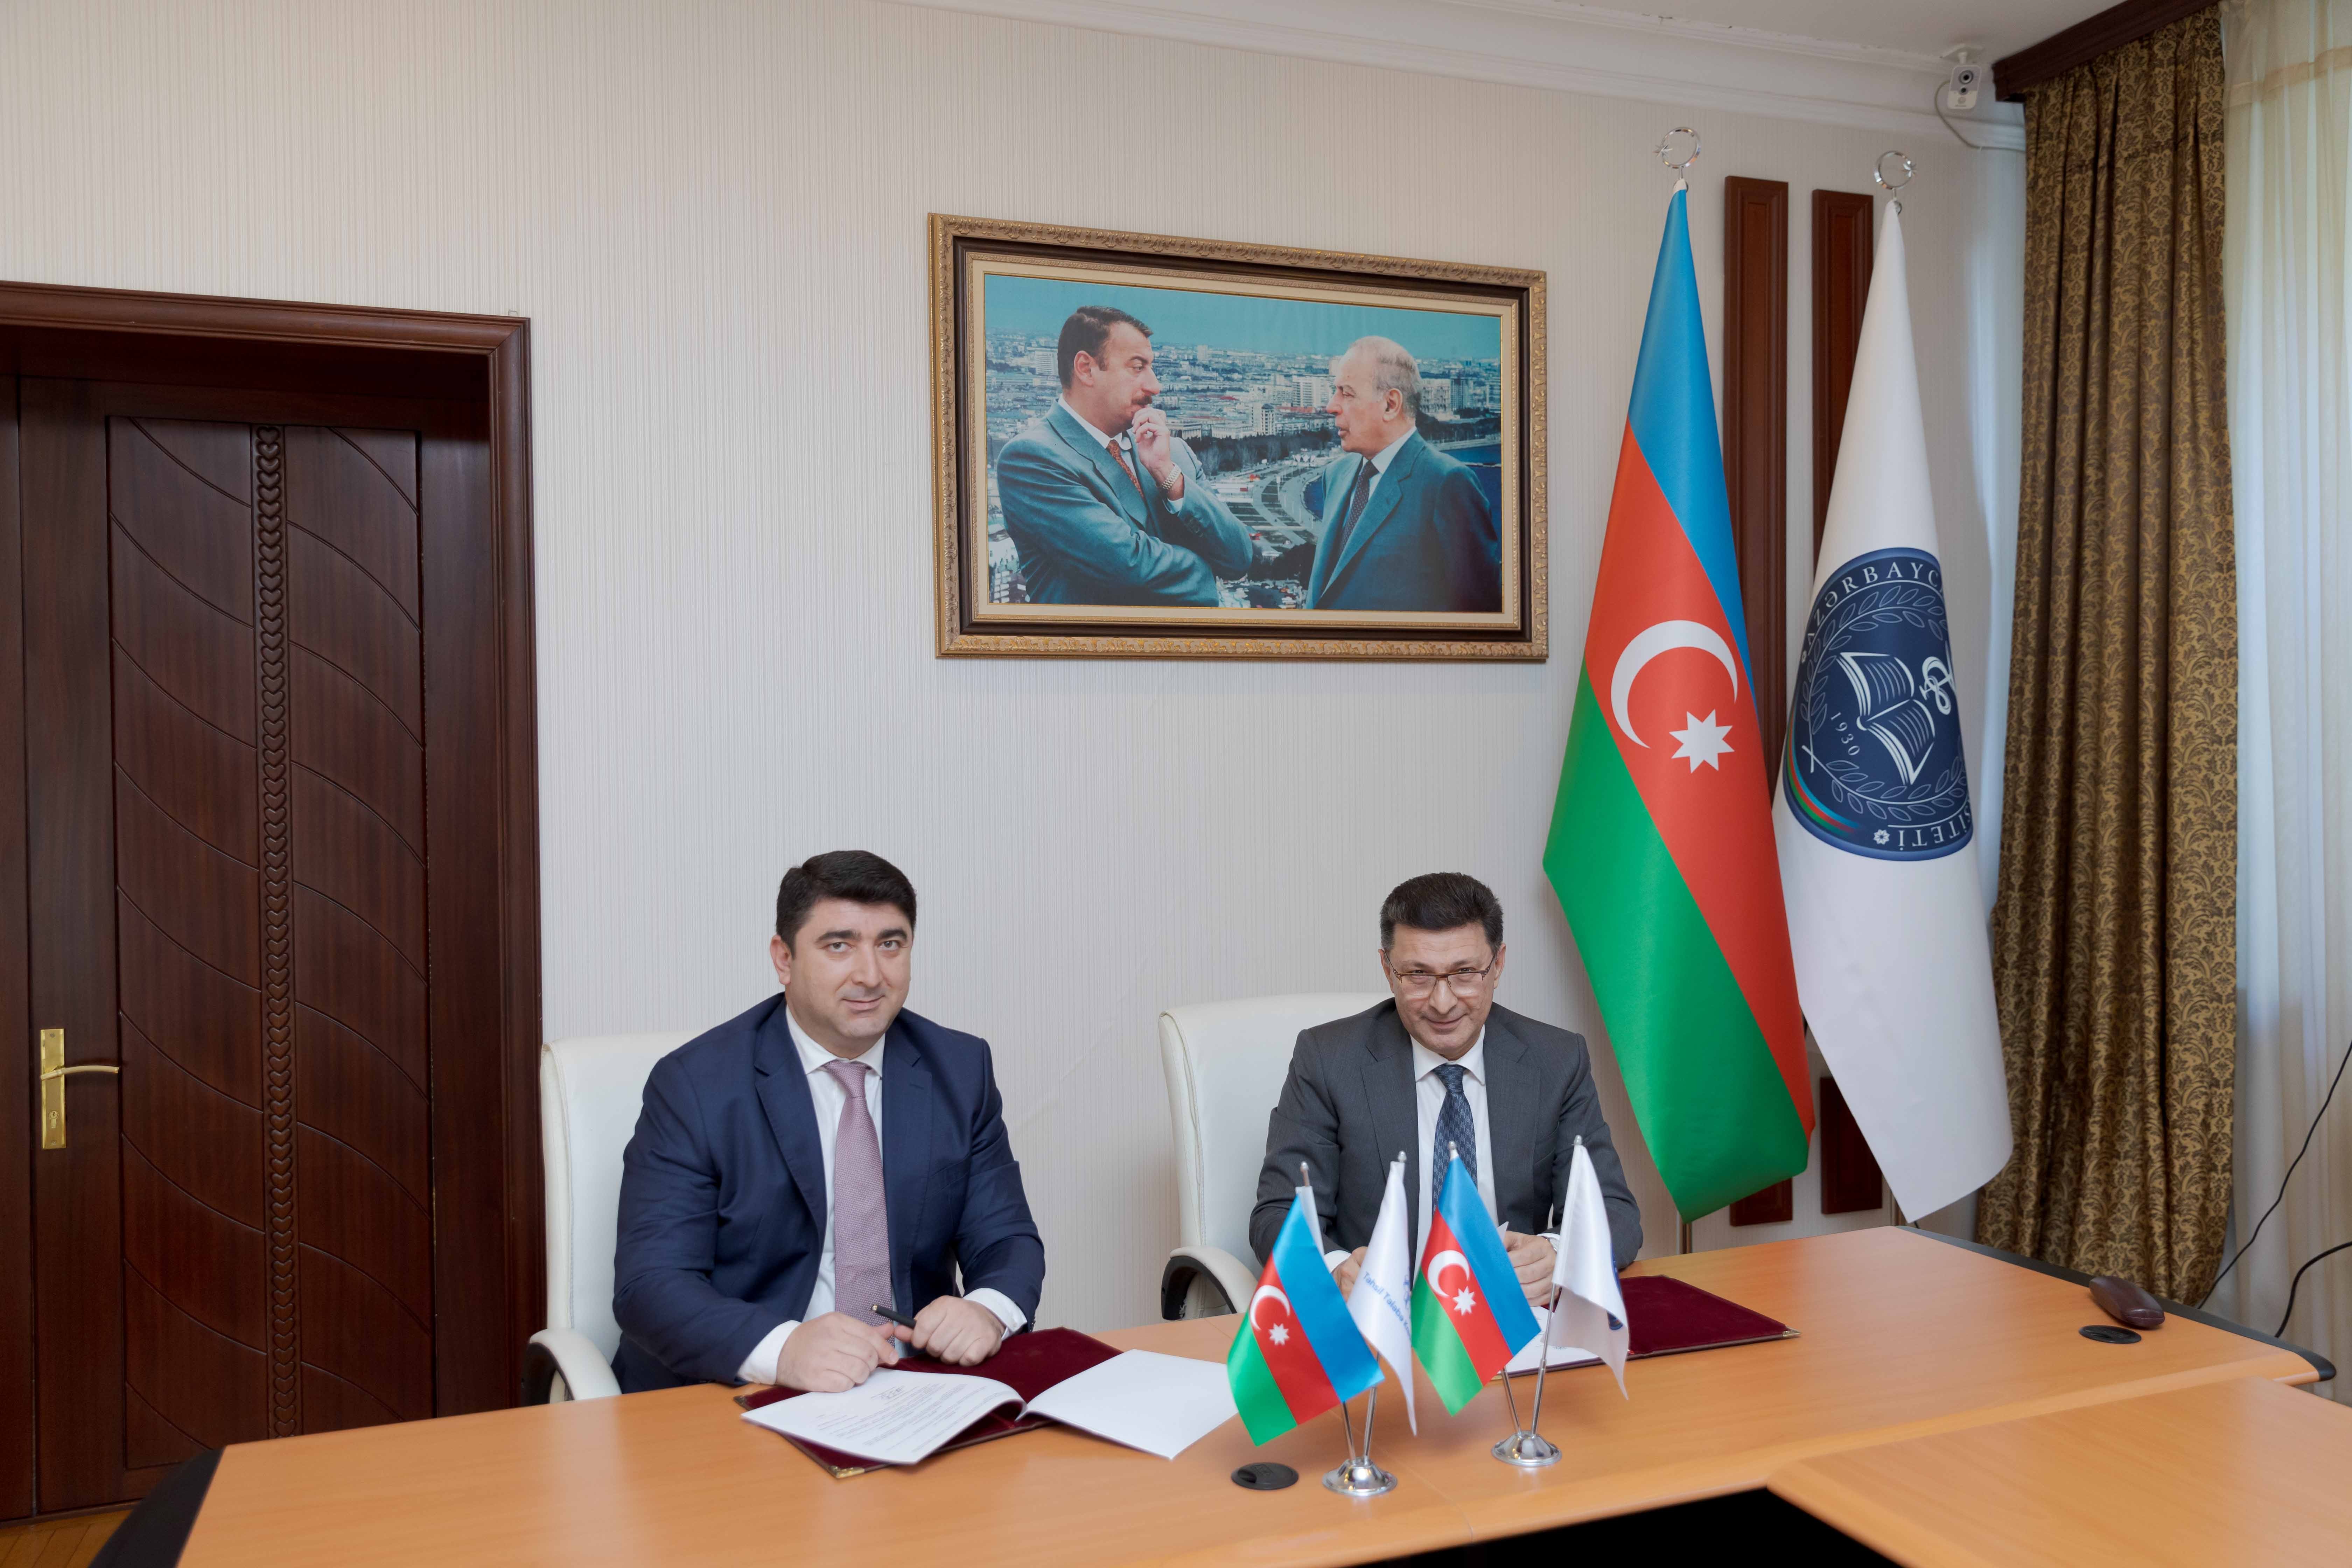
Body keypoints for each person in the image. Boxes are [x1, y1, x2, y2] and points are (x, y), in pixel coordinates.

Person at [611, 852, 1045, 1393]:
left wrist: (987, 1309)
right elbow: (651, 1285)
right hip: (744, 1385)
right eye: (839, 946)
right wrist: (783, 1349)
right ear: (784, 959)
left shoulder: (959, 1070)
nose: (871, 975)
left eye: (891, 944)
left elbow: (1007, 1239)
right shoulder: (695, 1086)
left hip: (913, 1387)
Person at [1252, 872, 1641, 1303]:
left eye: (1465, 972)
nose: (1443, 1002)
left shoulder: (1557, 1060)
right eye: (1418, 974)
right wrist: (1336, 1270)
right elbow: (1277, 1215)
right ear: (1389, 970)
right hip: (1383, 1318)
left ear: (1498, 965)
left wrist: (1557, 1255)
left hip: (1510, 1318)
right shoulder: (1328, 1060)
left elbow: (1614, 1212)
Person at [994, 304, 1255, 606]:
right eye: (1137, 367)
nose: (1155, 386)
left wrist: (1168, 475)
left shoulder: (1173, 454)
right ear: (1086, 369)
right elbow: (1128, 566)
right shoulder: (1032, 459)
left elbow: (1238, 558)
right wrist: (1208, 568)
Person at [1306, 337, 1501, 613]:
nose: (1331, 406)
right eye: (1335, 392)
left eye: (1347, 394)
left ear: (1390, 404)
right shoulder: (1336, 475)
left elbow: (1479, 616)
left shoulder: (1448, 484)